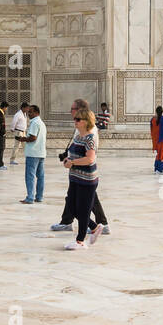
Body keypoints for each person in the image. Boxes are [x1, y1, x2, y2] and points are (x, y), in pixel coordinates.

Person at [51, 100, 111, 235]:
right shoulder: (79, 127)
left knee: (82, 204)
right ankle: (70, 222)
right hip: (77, 173)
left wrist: (73, 162)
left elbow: (90, 156)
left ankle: (95, 227)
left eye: (73, 109)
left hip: (84, 173)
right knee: (74, 199)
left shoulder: (91, 131)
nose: (71, 112)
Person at [60, 108, 101, 250]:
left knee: (83, 210)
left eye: (78, 120)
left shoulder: (90, 138)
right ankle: (94, 228)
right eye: (75, 119)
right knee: (71, 207)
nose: (75, 122)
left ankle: (80, 241)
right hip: (75, 178)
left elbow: (90, 159)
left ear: (86, 122)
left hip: (87, 180)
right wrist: (67, 160)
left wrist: (73, 163)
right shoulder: (78, 137)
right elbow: (73, 153)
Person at [18, 104, 46, 204]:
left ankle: (30, 198)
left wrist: (23, 139)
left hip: (33, 154)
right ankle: (39, 197)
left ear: (36, 113)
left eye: (30, 112)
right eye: (28, 112)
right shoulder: (41, 123)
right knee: (40, 176)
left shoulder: (34, 123)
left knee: (30, 176)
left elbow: (33, 137)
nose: (28, 114)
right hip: (41, 153)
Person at [10, 103, 29, 170]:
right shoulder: (18, 114)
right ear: (23, 108)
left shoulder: (25, 114)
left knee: (26, 146)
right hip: (18, 132)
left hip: (23, 132)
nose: (27, 109)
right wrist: (12, 129)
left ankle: (28, 159)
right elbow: (14, 122)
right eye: (26, 108)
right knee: (16, 146)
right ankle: (12, 160)